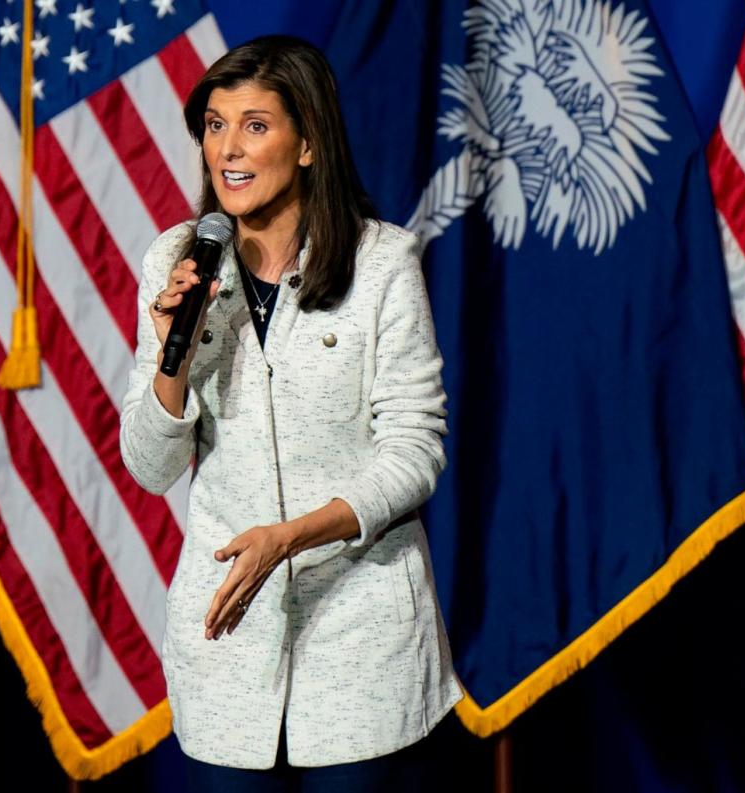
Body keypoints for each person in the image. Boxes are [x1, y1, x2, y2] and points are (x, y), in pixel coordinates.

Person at [119, 35, 460, 791]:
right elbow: (149, 466)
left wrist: (292, 537)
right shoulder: (176, 259)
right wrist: (173, 355)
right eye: (213, 124)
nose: (227, 150)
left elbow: (414, 450)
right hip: (225, 641)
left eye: (254, 125)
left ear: (307, 143)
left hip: (360, 639)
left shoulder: (381, 263)